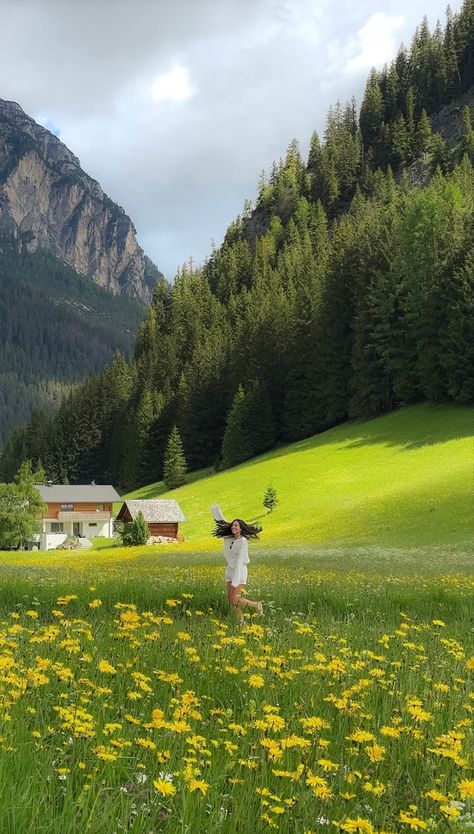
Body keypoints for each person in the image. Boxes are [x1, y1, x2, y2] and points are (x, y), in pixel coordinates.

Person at [211, 503, 263, 620]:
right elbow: (221, 524)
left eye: (236, 525)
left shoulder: (243, 541)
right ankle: (240, 623)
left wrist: (236, 578)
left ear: (241, 528)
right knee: (231, 601)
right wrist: (215, 510)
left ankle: (256, 605)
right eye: (233, 525)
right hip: (230, 570)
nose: (233, 527)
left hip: (239, 572)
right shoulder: (229, 538)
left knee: (235, 599)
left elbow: (240, 561)